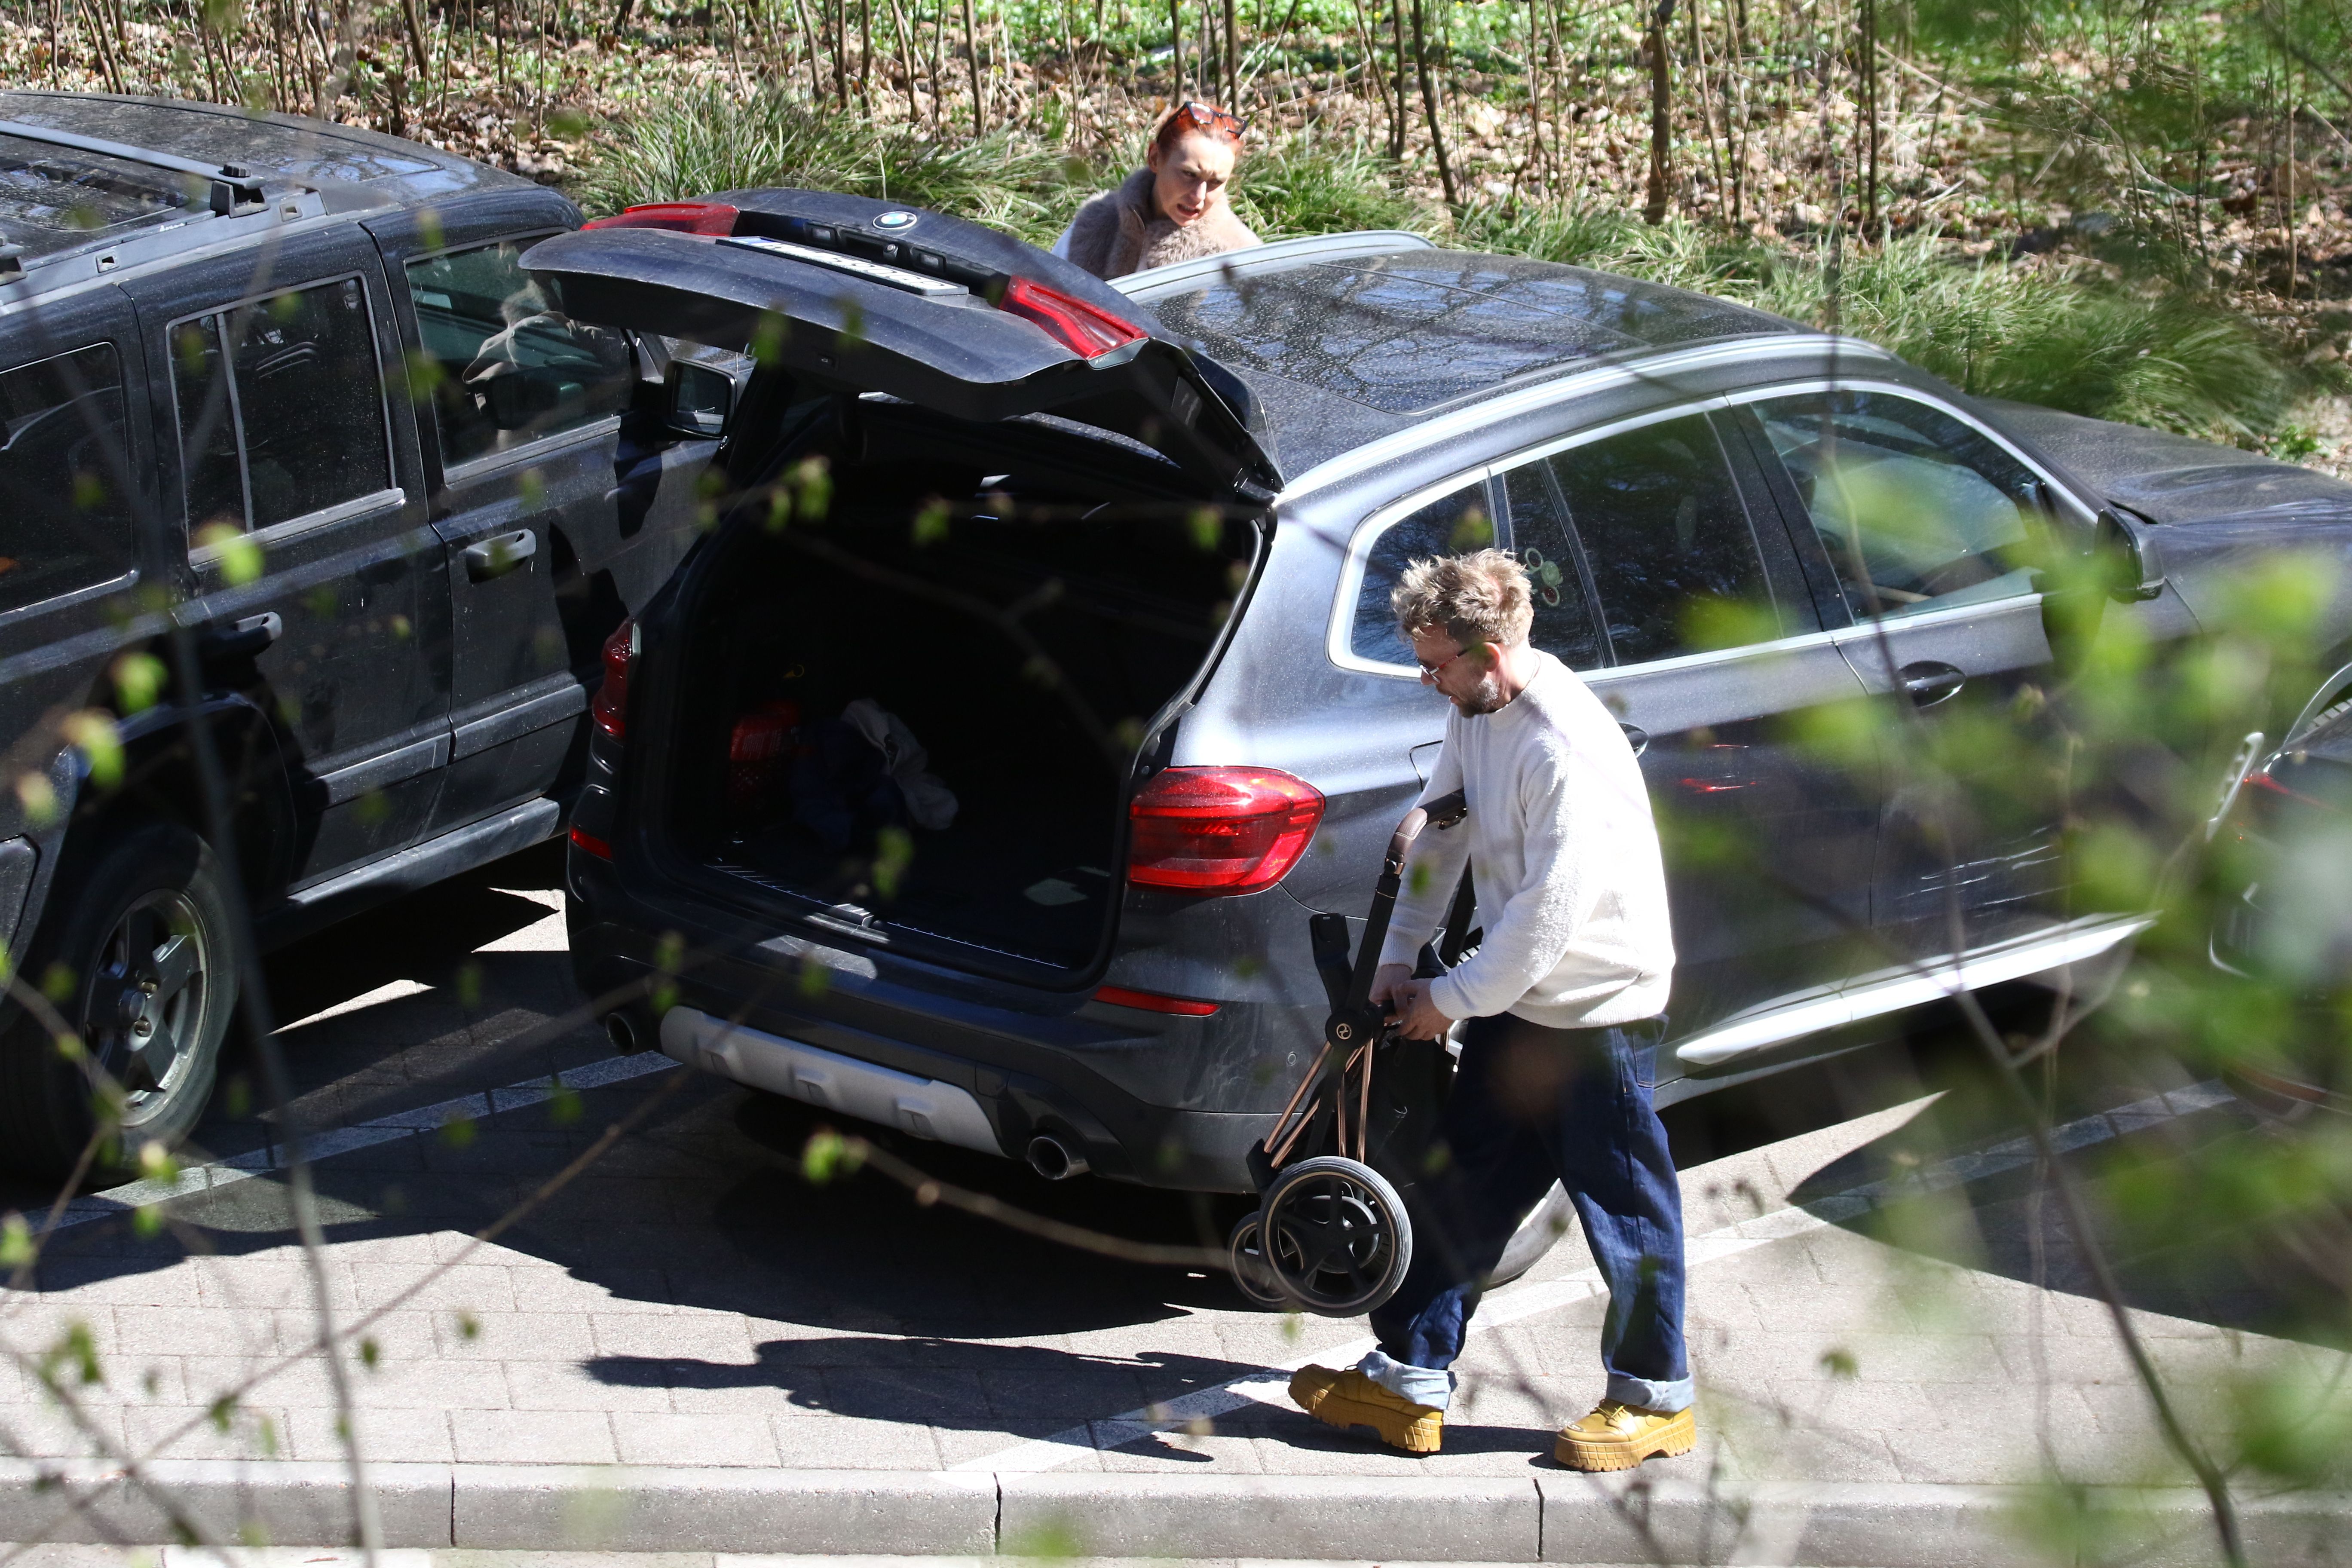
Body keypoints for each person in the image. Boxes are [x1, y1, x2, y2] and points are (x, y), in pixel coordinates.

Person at [1287, 550, 1691, 1473]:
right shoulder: (1476, 711)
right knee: (1466, 1180)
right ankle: (1409, 1377)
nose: (1427, 681)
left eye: (1435, 664)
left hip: (1597, 1010)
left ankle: (1654, 1397)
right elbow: (1442, 830)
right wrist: (1397, 956)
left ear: (1489, 652)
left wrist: (1448, 1000)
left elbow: (1549, 917)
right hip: (1523, 1000)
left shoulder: (1561, 746)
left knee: (1625, 1206)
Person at [1055, 102, 1262, 280]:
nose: (1199, 196)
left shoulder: (1239, 256)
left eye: (1216, 182)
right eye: (1189, 174)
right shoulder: (1093, 224)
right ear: (1154, 158)